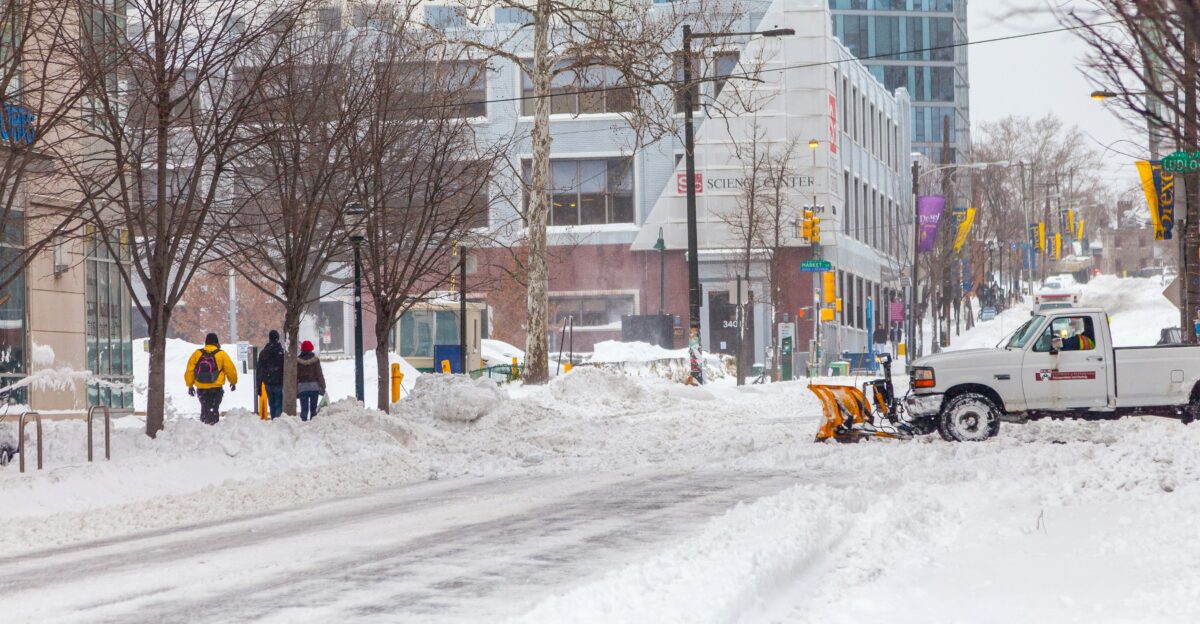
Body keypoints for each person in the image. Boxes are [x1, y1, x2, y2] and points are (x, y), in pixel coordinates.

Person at [185, 333, 238, 425]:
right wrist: (233, 382)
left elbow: (189, 371)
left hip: (202, 388)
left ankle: (204, 426)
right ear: (216, 342)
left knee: (204, 407)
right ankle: (213, 426)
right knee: (214, 408)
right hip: (216, 388)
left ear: (206, 342)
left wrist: (190, 385)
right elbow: (230, 370)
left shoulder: (197, 354)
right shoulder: (221, 354)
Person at [256, 330, 285, 419]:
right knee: (278, 404)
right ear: (277, 338)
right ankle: (278, 421)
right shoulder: (281, 352)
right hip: (279, 382)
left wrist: (259, 386)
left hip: (267, 382)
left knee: (271, 404)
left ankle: (273, 420)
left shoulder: (263, 353)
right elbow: (285, 369)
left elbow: (259, 370)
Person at [296, 340, 326, 421]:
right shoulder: (315, 360)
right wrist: (323, 386)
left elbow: (296, 375)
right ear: (311, 349)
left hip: (302, 387)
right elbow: (319, 374)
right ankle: (313, 424)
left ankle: (303, 423)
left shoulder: (297, 361)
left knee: (304, 409)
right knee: (313, 409)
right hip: (314, 387)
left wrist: (296, 389)